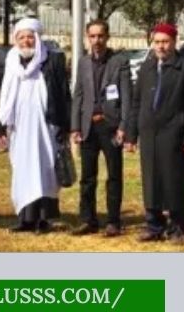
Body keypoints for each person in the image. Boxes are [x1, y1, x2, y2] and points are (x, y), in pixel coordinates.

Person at [0, 18, 70, 234]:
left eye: (30, 37)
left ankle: (44, 219)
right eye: (21, 37)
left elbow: (63, 93)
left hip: (46, 126)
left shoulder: (52, 60)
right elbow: (5, 94)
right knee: (23, 169)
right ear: (16, 39)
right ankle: (26, 218)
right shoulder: (11, 61)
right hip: (19, 127)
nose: (26, 41)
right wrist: (1, 124)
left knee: (45, 169)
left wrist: (65, 125)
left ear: (37, 38)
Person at [129, 23, 184, 244]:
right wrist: (131, 135)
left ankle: (177, 227)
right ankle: (154, 225)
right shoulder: (147, 67)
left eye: (165, 42)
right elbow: (137, 102)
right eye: (157, 42)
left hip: (174, 133)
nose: (161, 46)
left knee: (174, 180)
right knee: (150, 180)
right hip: (149, 133)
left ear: (174, 42)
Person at [70, 19, 132, 237]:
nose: (96, 40)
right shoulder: (83, 63)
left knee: (114, 175)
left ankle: (113, 221)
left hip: (111, 126)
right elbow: (78, 95)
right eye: (92, 36)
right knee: (87, 177)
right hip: (88, 127)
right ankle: (88, 219)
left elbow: (127, 97)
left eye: (100, 36)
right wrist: (75, 126)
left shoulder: (119, 62)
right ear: (88, 38)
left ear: (107, 37)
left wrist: (123, 126)